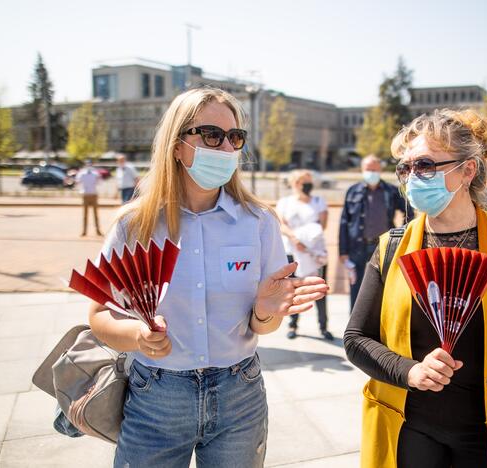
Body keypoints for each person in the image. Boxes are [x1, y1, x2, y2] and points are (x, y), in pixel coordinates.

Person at [88, 88, 328, 467]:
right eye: (212, 135)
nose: (226, 147)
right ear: (177, 145)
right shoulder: (134, 225)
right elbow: (100, 315)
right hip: (157, 397)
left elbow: (263, 326)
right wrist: (138, 336)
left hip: (240, 393)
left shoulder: (259, 222)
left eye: (235, 138)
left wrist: (266, 313)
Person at [344, 109, 487, 468]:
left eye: (425, 165)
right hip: (408, 428)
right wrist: (408, 370)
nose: (413, 178)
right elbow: (357, 339)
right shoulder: (392, 246)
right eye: (406, 168)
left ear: (468, 170)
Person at [339, 155, 413, 310]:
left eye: (374, 169)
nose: (371, 172)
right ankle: (355, 323)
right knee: (356, 286)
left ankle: (379, 323)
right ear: (362, 170)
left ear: (380, 170)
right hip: (357, 247)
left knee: (383, 285)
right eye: (368, 169)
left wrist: (400, 235)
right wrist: (343, 251)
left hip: (383, 247)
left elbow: (408, 212)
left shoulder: (391, 191)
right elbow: (344, 221)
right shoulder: (352, 191)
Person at [275, 169, 333, 340]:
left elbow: (322, 225)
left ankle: (323, 327)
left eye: (309, 181)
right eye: (303, 181)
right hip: (292, 252)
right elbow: (281, 224)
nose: (307, 185)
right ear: (294, 184)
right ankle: (293, 324)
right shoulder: (285, 202)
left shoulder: (318, 201)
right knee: (292, 290)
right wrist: (295, 239)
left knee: (319, 289)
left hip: (314, 253)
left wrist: (306, 242)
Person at [76, 159, 103, 237]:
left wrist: (99, 177)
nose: (88, 165)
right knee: (85, 214)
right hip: (85, 194)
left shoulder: (95, 173)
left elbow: (100, 182)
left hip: (93, 194)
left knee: (95, 214)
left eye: (90, 164)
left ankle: (98, 230)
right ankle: (84, 231)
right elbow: (78, 182)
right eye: (87, 164)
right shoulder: (81, 173)